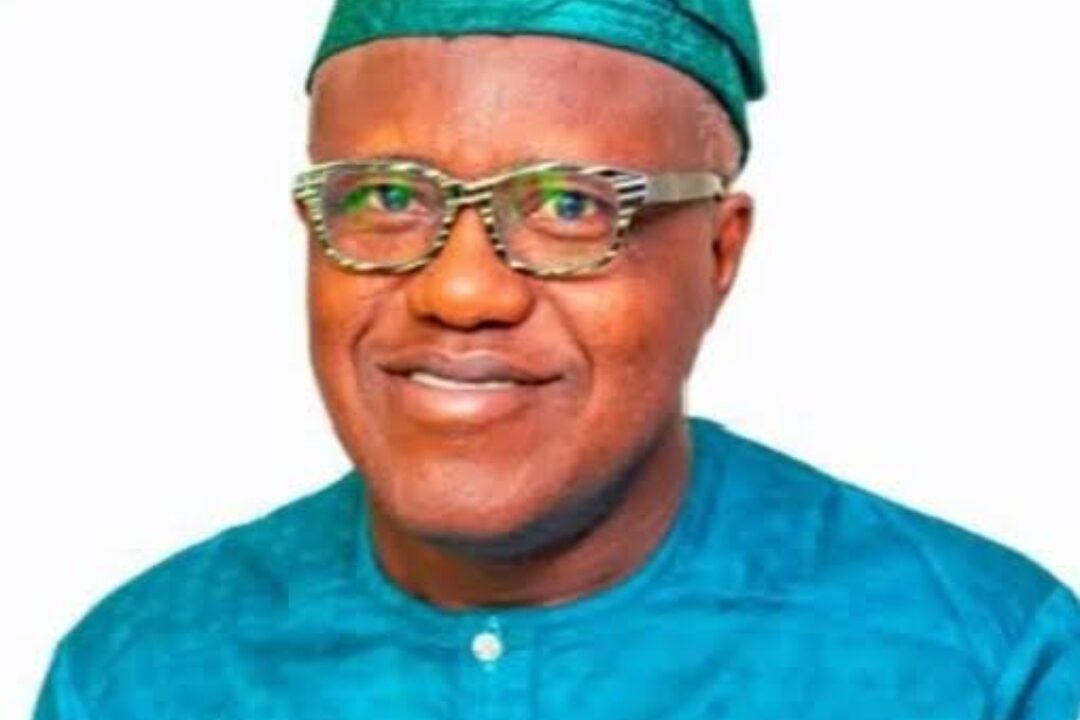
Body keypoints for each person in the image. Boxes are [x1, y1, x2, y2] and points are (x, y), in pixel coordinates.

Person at [32, 0, 1080, 718]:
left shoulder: (984, 667)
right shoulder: (138, 678)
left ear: (719, 256)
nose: (462, 291)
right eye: (388, 198)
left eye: (572, 206)